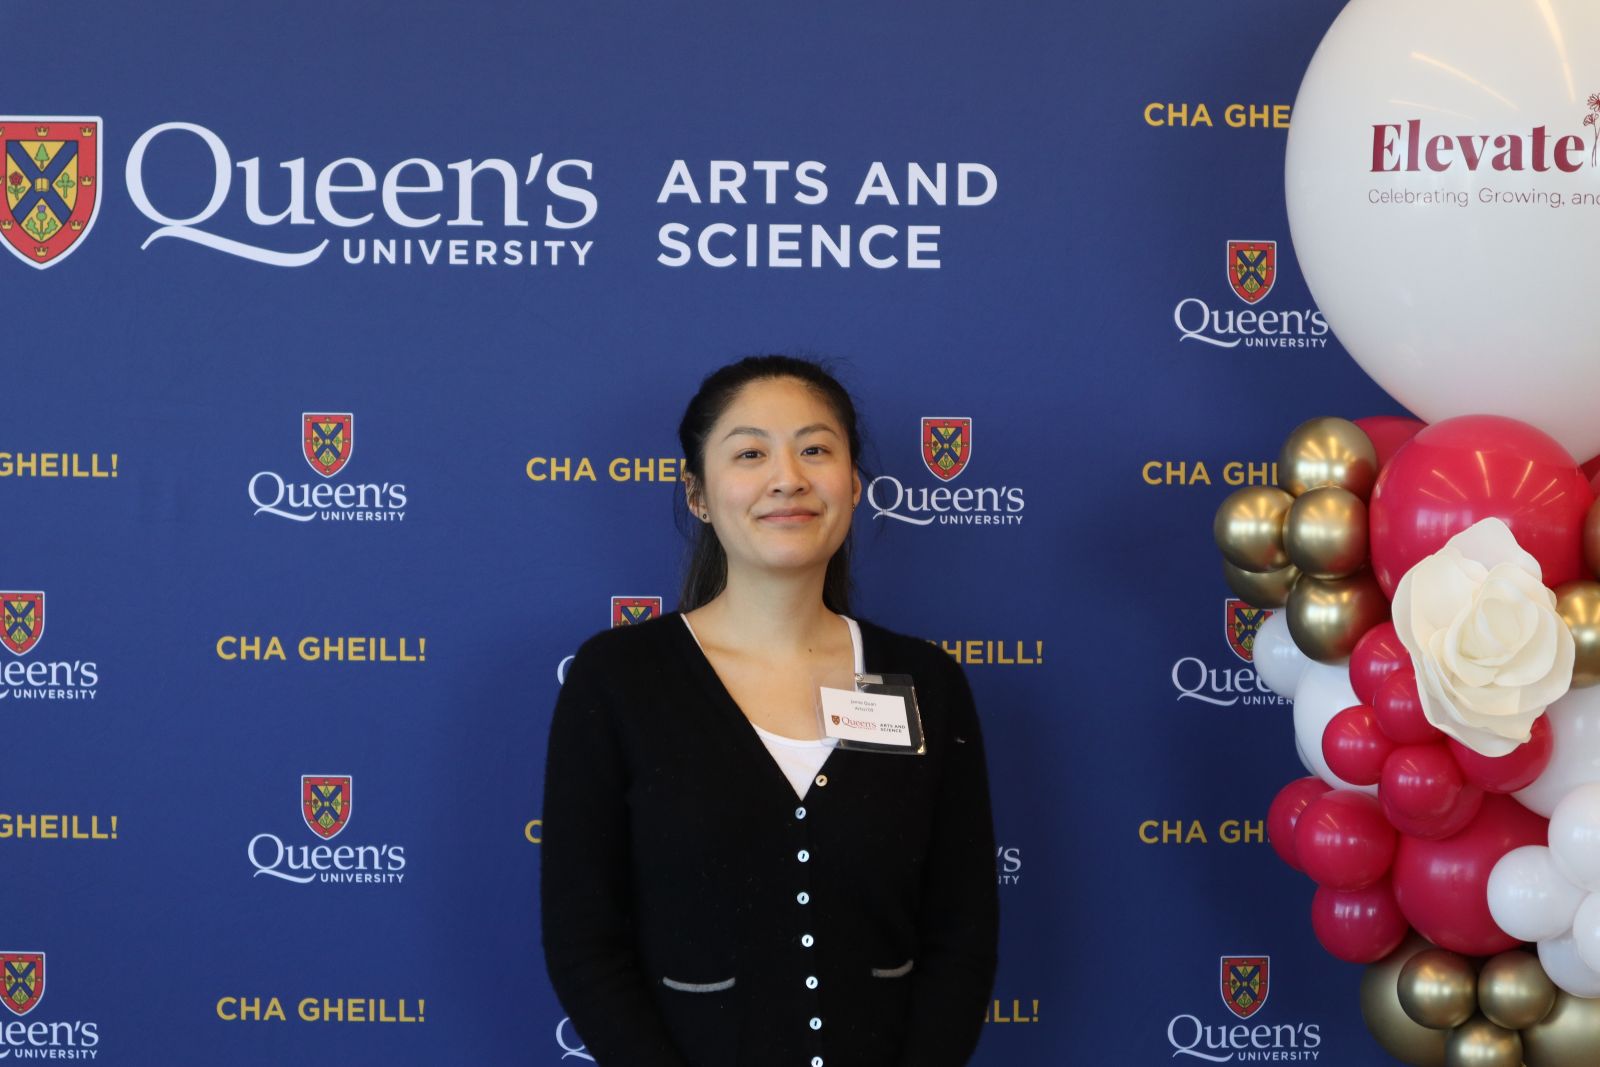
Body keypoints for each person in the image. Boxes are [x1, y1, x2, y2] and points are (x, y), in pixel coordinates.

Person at [541, 355, 998, 1067]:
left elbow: (961, 931)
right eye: (751, 452)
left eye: (815, 449)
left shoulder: (927, 681)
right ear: (696, 492)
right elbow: (584, 939)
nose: (788, 477)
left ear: (852, 483)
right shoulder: (619, 679)